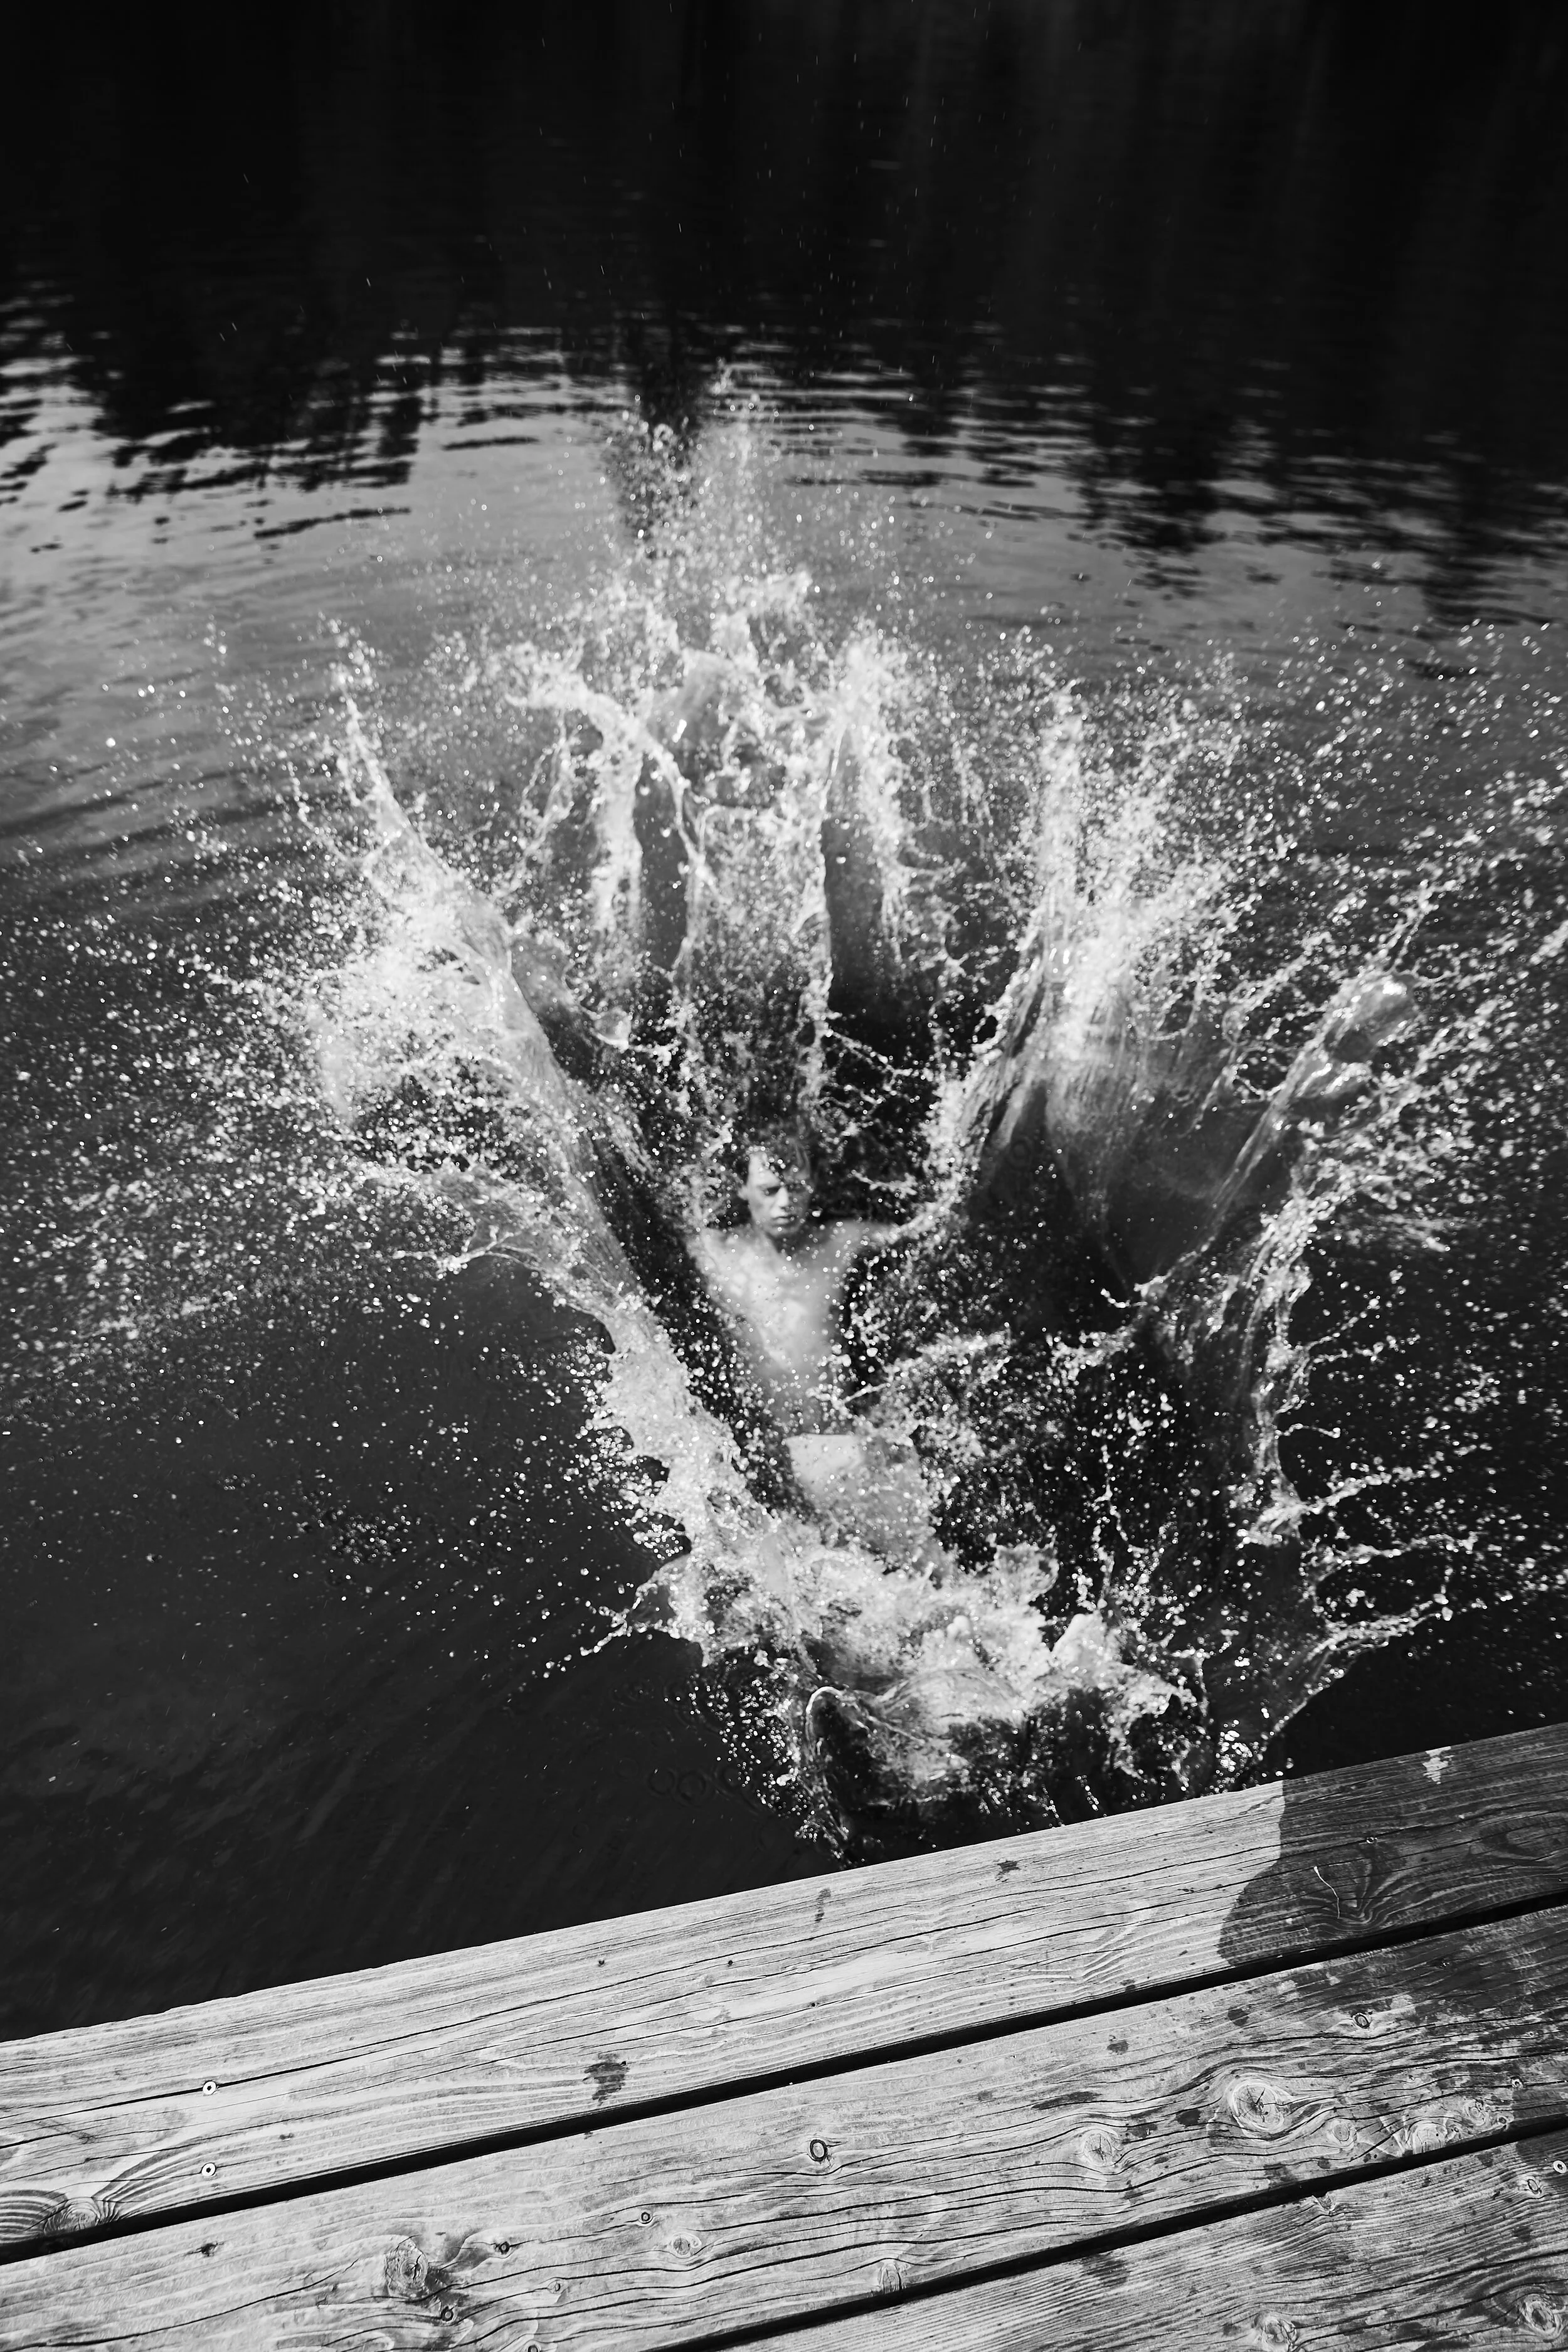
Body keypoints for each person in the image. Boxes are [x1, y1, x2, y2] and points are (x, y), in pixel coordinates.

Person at [690, 1121, 939, 1560]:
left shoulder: (839, 1244)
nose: (786, 1203)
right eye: (769, 1190)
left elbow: (931, 1230)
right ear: (743, 1189)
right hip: (760, 1457)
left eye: (797, 1189)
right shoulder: (716, 1254)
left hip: (834, 1446)